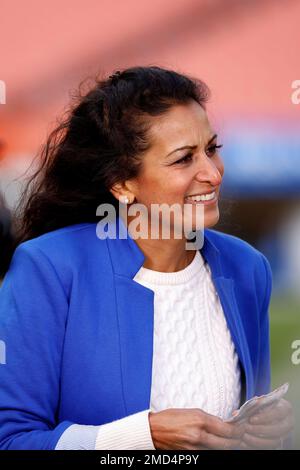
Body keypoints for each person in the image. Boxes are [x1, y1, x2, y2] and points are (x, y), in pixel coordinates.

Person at [0, 66, 294, 450]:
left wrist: (265, 432)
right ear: (122, 183)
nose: (212, 173)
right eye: (183, 159)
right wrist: (143, 436)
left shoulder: (247, 267)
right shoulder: (49, 267)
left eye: (212, 149)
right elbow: (12, 440)